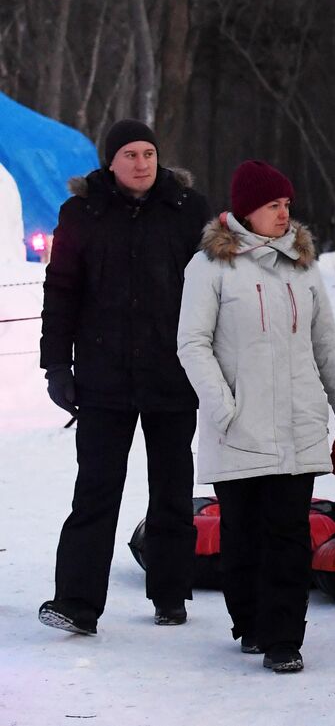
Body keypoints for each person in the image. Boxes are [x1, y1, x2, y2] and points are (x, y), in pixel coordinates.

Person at [176, 160, 335, 673]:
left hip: (299, 425)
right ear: (246, 211)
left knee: (288, 533)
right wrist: (225, 409)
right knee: (243, 534)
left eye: (287, 205)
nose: (284, 215)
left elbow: (326, 344)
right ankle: (250, 622)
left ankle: (285, 638)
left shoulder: (303, 267)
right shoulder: (209, 267)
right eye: (272, 206)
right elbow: (191, 344)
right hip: (239, 426)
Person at [37, 119, 211, 636]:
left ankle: (170, 592)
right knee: (94, 493)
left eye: (149, 153)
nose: (141, 163)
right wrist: (56, 365)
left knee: (173, 492)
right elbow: (61, 290)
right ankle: (76, 602)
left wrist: (215, 362)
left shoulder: (188, 210)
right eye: (130, 154)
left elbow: (212, 292)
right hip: (102, 377)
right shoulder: (82, 213)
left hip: (173, 374)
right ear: (110, 162)